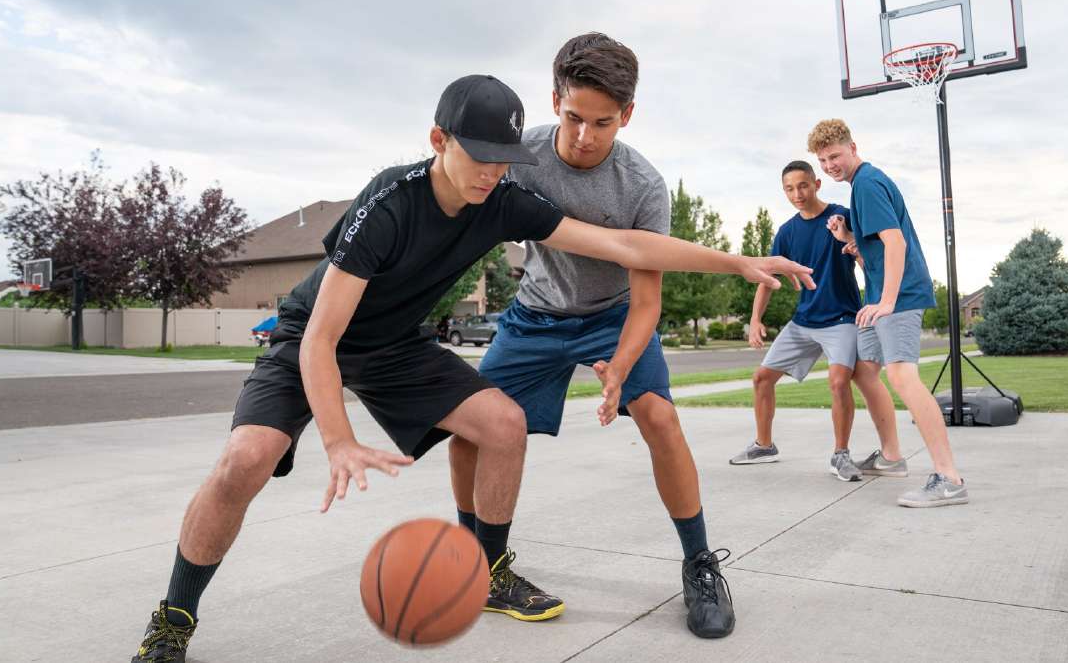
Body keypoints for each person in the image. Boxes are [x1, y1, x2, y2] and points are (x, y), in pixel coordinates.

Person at [131, 74, 812, 662]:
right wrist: (337, 439)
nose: (491, 172)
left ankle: (487, 570)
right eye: (478, 156)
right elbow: (321, 340)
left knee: (501, 422)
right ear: (438, 141)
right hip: (311, 337)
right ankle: (173, 617)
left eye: (502, 160)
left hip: (397, 345)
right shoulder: (388, 204)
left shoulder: (504, 203)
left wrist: (736, 261)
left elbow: (620, 243)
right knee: (244, 460)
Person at [448, 33, 741, 639]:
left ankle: (700, 565)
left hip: (612, 317)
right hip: (533, 313)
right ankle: (479, 558)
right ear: (555, 99)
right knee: (470, 426)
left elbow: (649, 300)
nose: (585, 136)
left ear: (627, 115)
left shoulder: (642, 186)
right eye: (575, 117)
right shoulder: (518, 153)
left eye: (602, 123)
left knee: (660, 418)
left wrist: (618, 376)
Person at [809, 118, 968, 508]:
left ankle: (949, 478)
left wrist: (889, 301)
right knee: (865, 370)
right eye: (823, 160)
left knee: (901, 374)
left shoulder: (867, 183)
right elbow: (879, 247)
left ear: (852, 147)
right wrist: (850, 241)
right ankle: (892, 457)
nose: (829, 165)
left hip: (899, 296)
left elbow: (895, 243)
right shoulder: (860, 187)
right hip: (879, 295)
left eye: (834, 155)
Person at [729, 161, 904, 483]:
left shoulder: (841, 216)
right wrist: (755, 319)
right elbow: (765, 277)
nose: (797, 193)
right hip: (804, 320)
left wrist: (850, 244)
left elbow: (872, 262)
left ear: (817, 184)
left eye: (803, 185)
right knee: (761, 379)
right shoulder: (787, 232)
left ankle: (841, 455)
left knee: (839, 382)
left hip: (841, 319)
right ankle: (764, 445)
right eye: (789, 188)